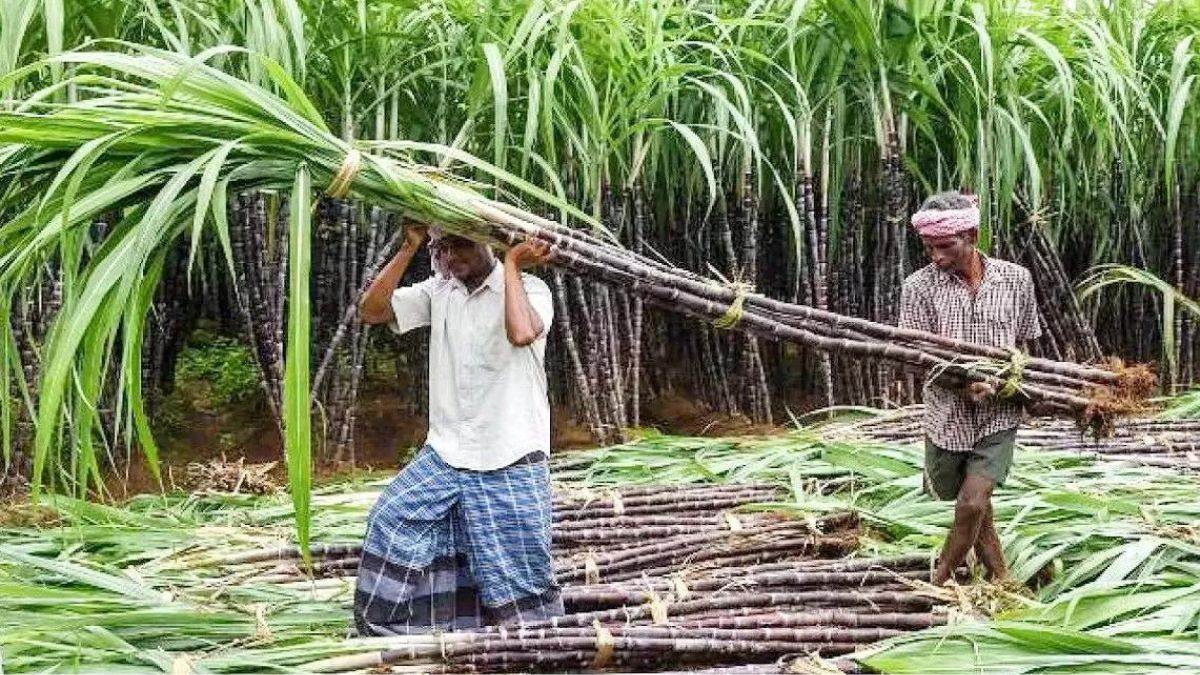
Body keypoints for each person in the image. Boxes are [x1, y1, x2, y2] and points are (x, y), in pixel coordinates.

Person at [353, 224, 562, 635]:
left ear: (489, 243)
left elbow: (522, 333)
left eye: (460, 245)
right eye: (441, 249)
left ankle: (536, 647)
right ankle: (403, 636)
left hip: (510, 453)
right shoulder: (440, 291)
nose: (450, 258)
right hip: (448, 452)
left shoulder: (530, 289)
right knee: (391, 520)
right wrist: (410, 247)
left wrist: (514, 263)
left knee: (517, 572)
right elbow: (371, 312)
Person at [898, 191, 1042, 586]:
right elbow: (919, 357)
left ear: (973, 235)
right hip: (947, 416)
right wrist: (964, 386)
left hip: (1000, 413)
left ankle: (938, 581)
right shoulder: (918, 287)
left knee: (972, 501)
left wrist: (1011, 384)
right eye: (929, 248)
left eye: (946, 246)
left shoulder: (1017, 279)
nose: (937, 257)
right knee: (973, 507)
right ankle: (1002, 578)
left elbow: (1026, 344)